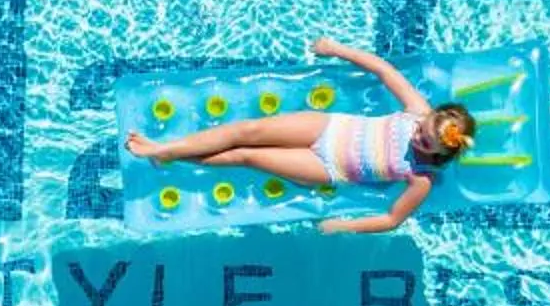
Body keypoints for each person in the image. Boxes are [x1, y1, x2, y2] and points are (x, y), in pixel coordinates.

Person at [126, 37, 475, 235]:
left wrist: (344, 226)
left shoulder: (421, 178)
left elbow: (392, 219)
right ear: (430, 116)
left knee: (246, 156)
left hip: (327, 165)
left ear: (439, 153)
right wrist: (338, 49)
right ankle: (164, 148)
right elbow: (384, 70)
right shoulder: (418, 111)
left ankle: (166, 153)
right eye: (422, 130)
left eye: (425, 143)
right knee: (249, 130)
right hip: (329, 127)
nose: (417, 137)